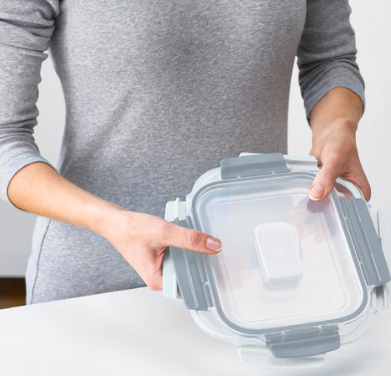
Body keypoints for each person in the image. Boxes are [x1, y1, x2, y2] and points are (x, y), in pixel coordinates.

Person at [0, 0, 371, 304]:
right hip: (100, 291)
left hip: (256, 274)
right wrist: (112, 222)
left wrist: (337, 127)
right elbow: (5, 138)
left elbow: (329, 60)